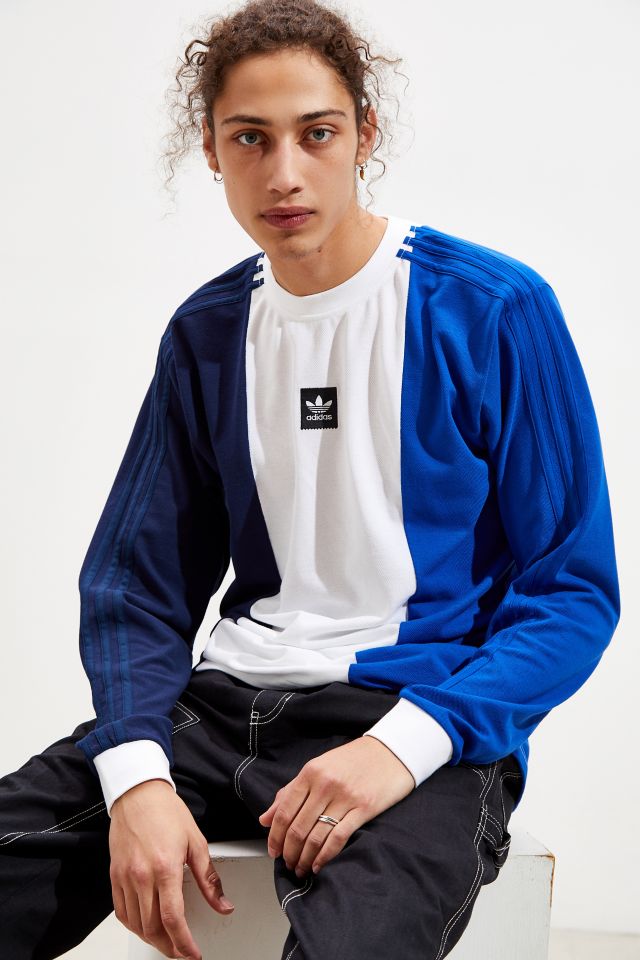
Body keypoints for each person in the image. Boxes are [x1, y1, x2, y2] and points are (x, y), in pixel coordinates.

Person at [0, 0, 621, 958]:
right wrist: (137, 776)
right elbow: (136, 588)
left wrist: (398, 750)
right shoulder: (208, 333)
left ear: (365, 133)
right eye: (249, 137)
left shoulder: (491, 310)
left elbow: (571, 593)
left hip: (415, 714)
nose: (283, 173)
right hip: (216, 714)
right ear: (212, 150)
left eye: (316, 133)